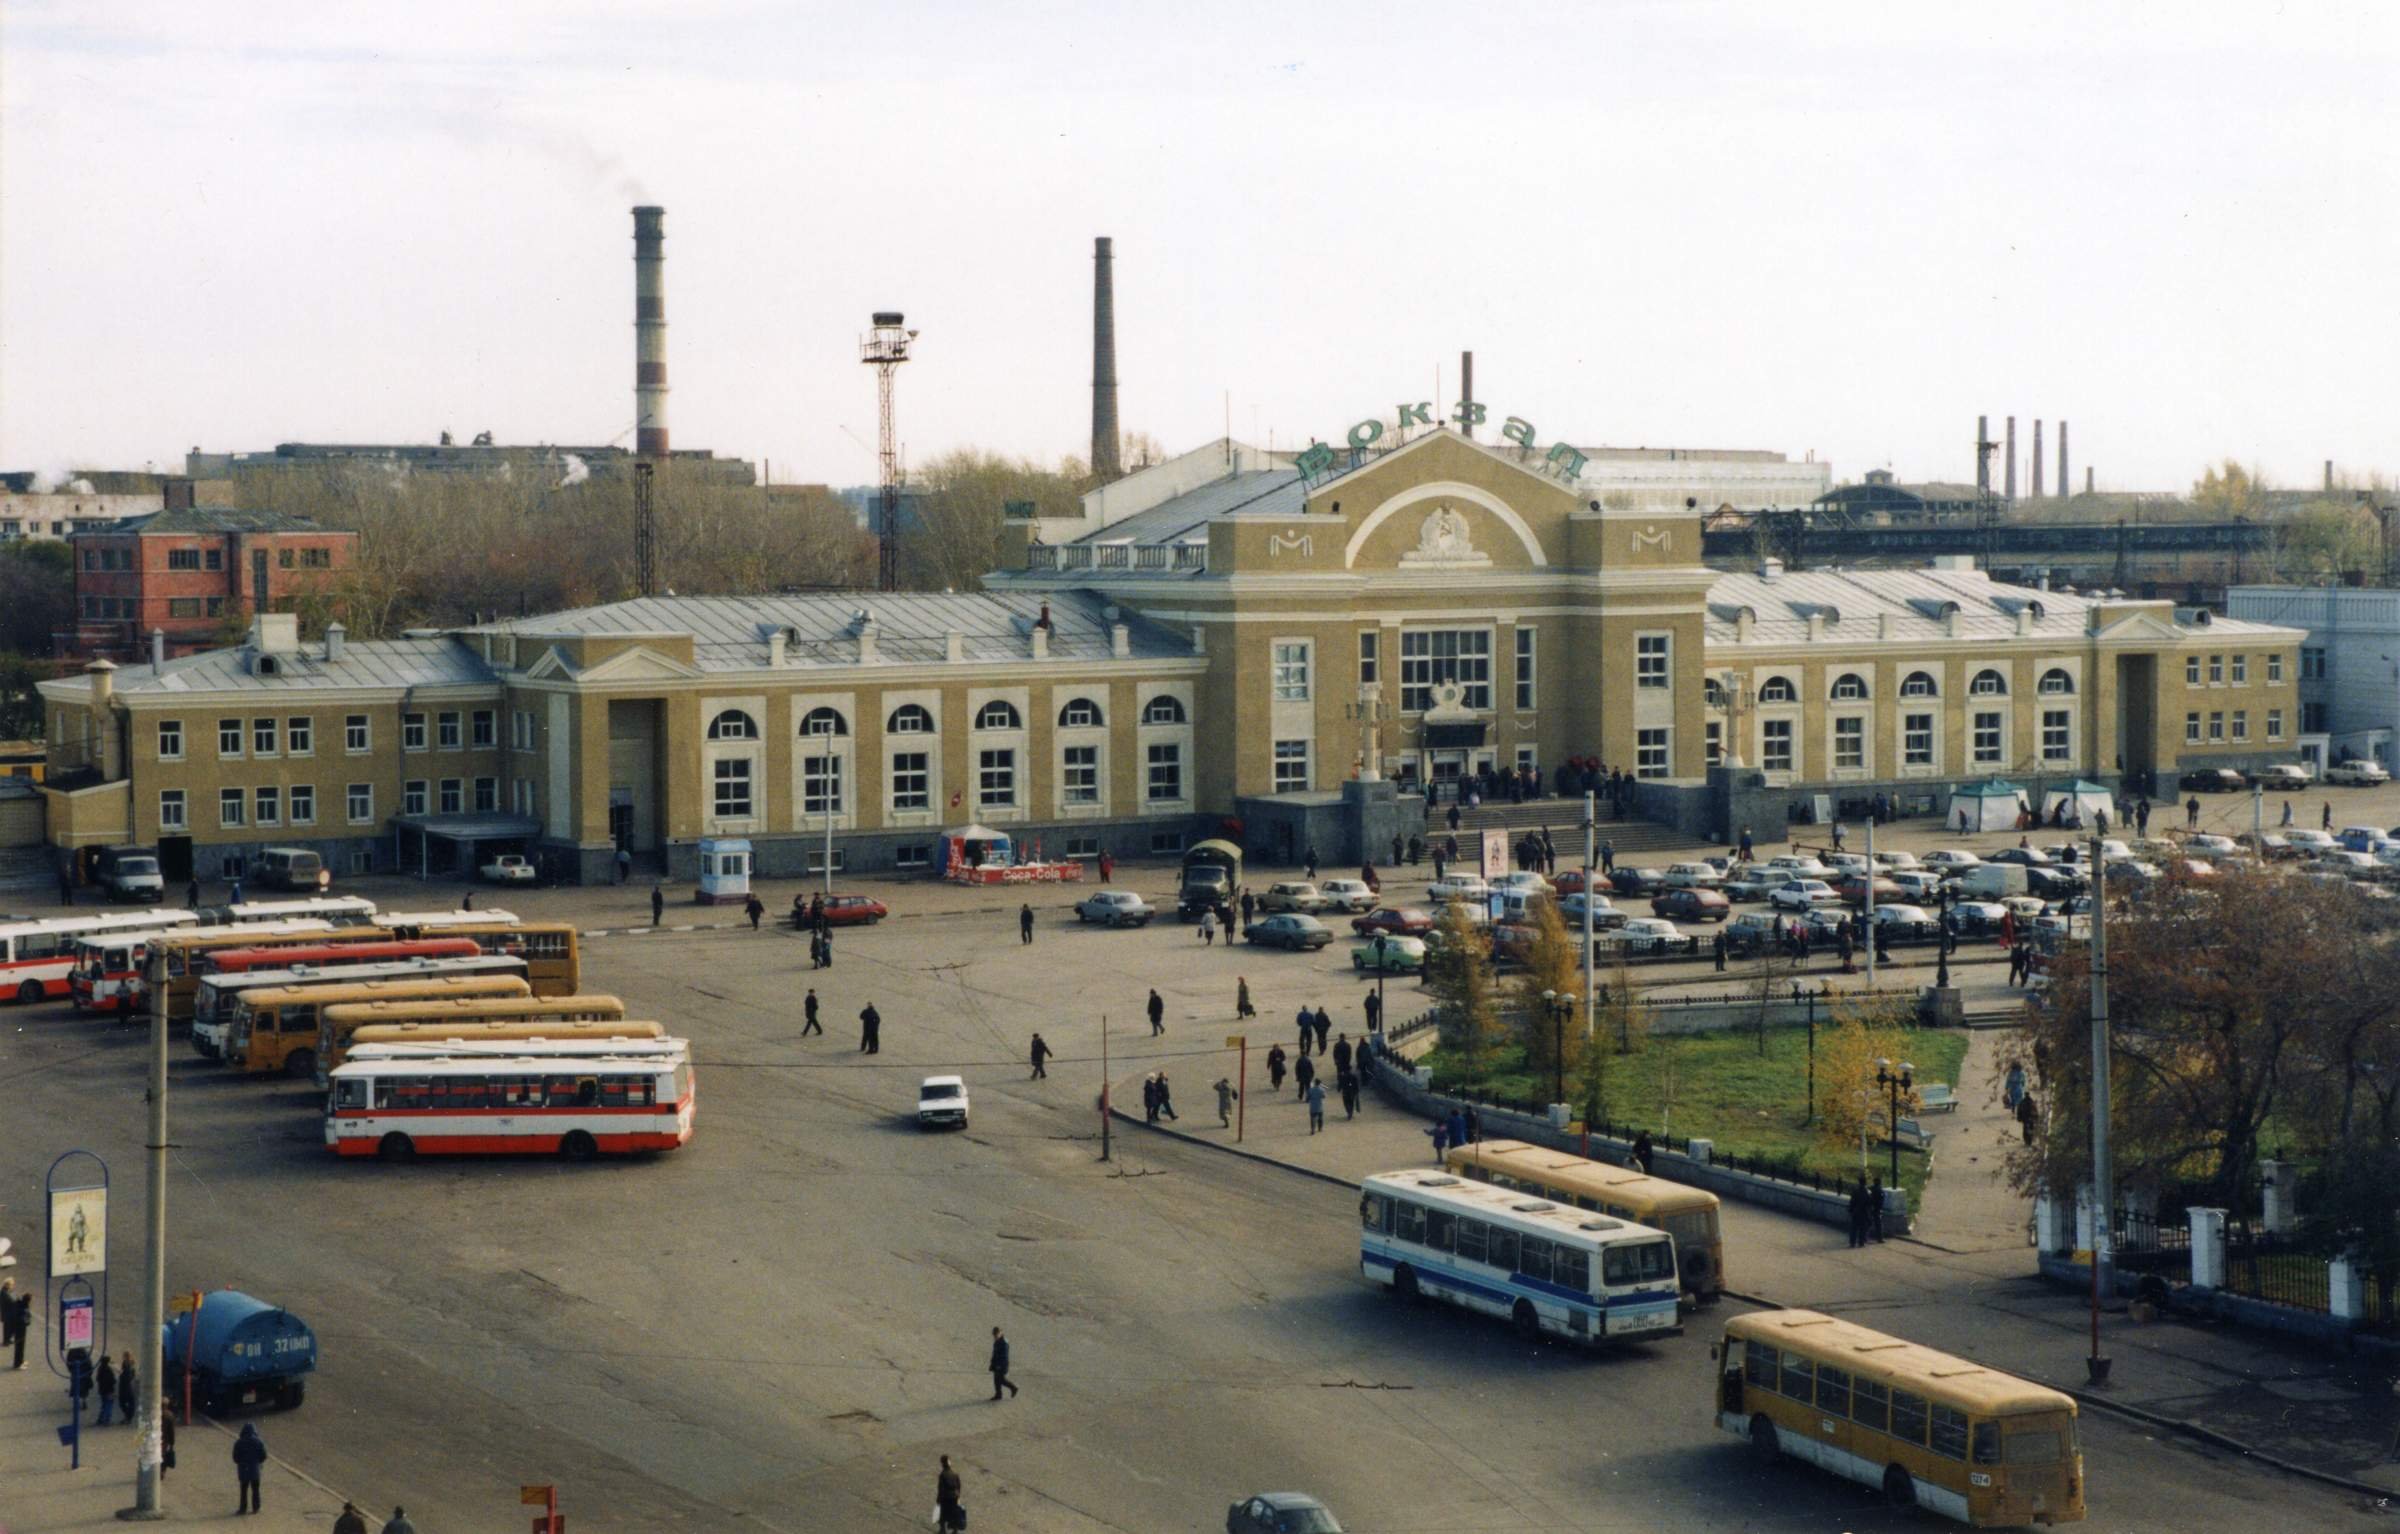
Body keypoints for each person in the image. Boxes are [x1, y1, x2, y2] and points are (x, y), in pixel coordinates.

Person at [233, 1422, 268, 1514]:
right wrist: (258, 1462)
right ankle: (256, 1508)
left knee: (243, 1491)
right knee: (255, 1490)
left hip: (243, 1471)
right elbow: (264, 1455)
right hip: (255, 1471)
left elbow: (235, 1457)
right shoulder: (258, 1442)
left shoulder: (239, 1443)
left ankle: (243, 1508)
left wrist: (240, 1462)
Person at [937, 1456, 966, 1533]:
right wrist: (958, 1495)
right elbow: (959, 1486)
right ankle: (955, 1530)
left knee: (943, 1514)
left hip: (946, 1497)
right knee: (954, 1513)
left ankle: (942, 1530)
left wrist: (939, 1499)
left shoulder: (943, 1475)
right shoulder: (955, 1474)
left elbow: (941, 1488)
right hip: (954, 1496)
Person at [989, 1327, 1019, 1400]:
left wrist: (999, 1365)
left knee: (1001, 1380)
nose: (995, 1336)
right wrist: (992, 1363)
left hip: (1002, 1365)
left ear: (1000, 1333)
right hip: (997, 1364)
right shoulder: (998, 1340)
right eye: (994, 1335)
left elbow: (1004, 1356)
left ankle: (1013, 1388)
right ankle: (998, 1394)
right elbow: (995, 1353)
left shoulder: (1003, 1343)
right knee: (996, 1379)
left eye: (996, 1334)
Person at [95, 1351, 117, 1425]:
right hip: (109, 1390)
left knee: (104, 1404)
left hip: (102, 1390)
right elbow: (113, 1380)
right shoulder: (109, 1370)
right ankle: (107, 1420)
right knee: (109, 1405)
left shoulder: (100, 1369)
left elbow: (97, 1379)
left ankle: (100, 1419)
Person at [1848, 1179, 1870, 1249]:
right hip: (1864, 1212)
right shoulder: (1867, 1192)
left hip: (1856, 1212)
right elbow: (1869, 1203)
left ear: (1859, 1183)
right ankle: (1861, 1242)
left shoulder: (1855, 1191)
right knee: (1863, 1228)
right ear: (1865, 1183)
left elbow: (1852, 1201)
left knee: (1854, 1228)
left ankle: (1852, 1242)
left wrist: (1851, 1210)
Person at [117, 1349, 136, 1427]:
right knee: (129, 1403)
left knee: (122, 1402)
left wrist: (121, 1374)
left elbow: (126, 1377)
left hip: (125, 1387)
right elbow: (132, 1376)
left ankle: (128, 1417)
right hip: (129, 1387)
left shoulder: (126, 1365)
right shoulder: (131, 1365)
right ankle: (128, 1417)